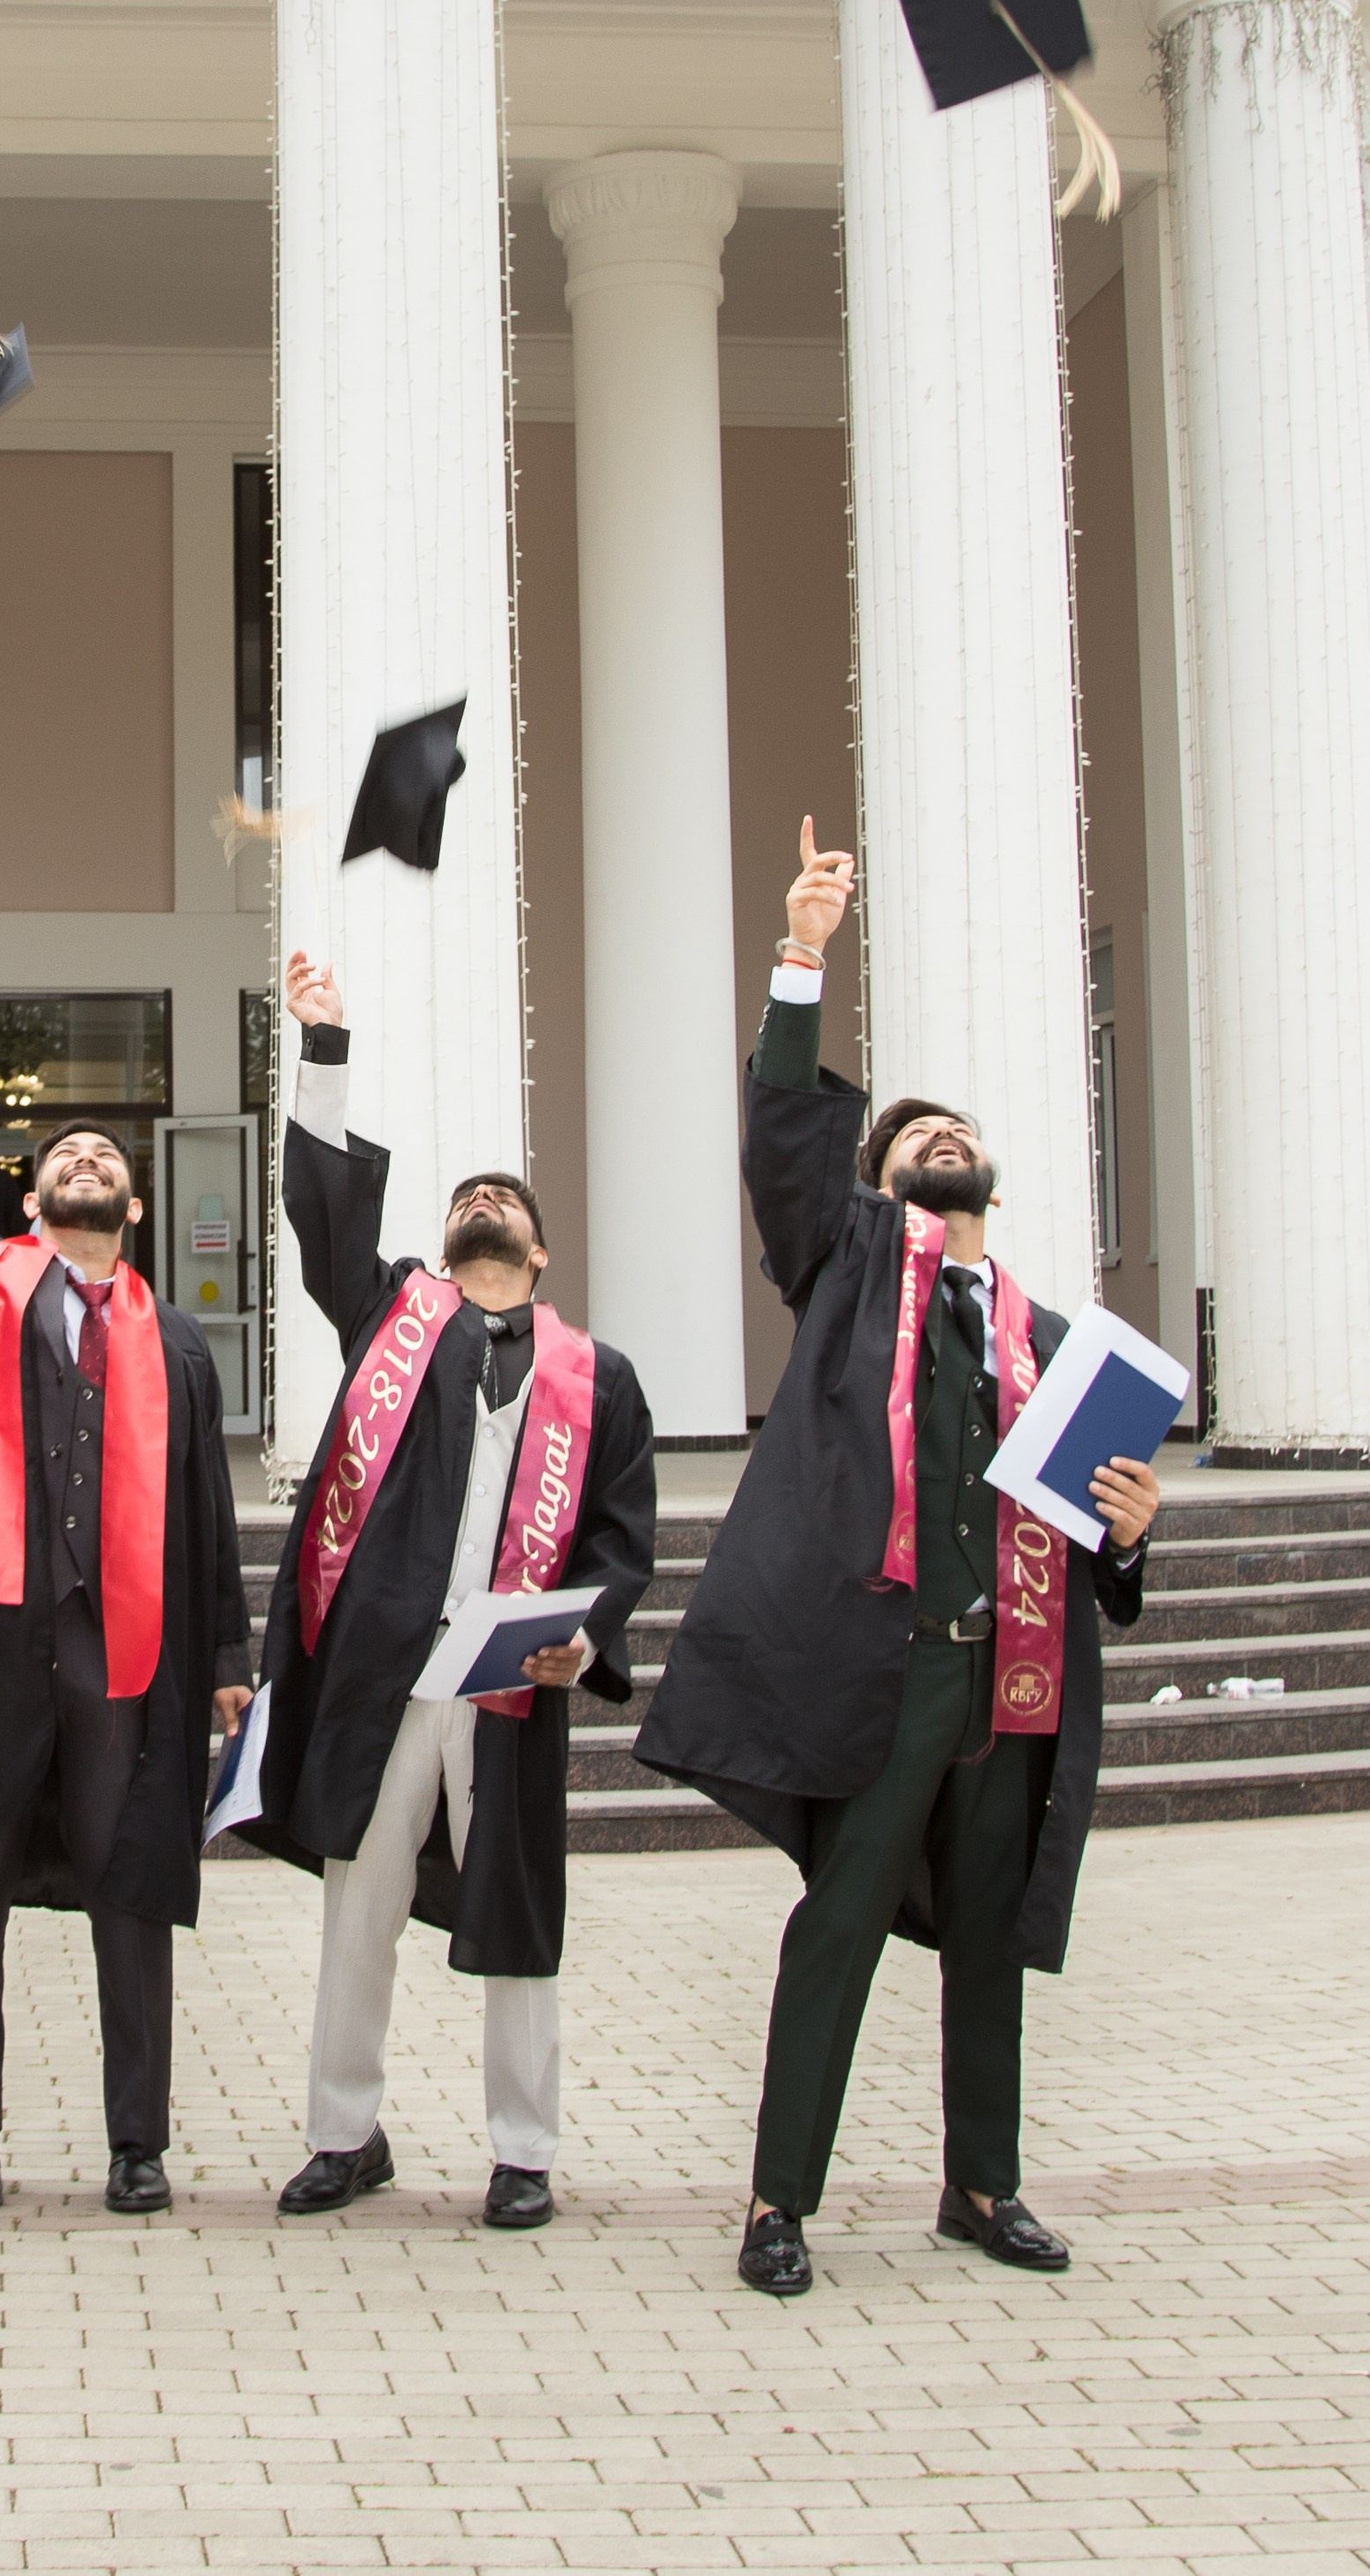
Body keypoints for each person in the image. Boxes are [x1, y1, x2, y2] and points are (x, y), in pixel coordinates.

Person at [639, 820, 1163, 2300]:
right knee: (842, 1922)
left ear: (992, 1173)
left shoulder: (1054, 1343)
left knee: (987, 1930)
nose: (935, 1139)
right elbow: (783, 1142)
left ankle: (981, 2182)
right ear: (872, 1183)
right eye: (907, 1139)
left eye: (952, 1133)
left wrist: (1131, 1536)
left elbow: (1093, 1535)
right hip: (887, 1671)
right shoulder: (852, 1265)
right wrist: (801, 955)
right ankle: (778, 2199)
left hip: (1015, 1679)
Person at [244, 952, 658, 2231]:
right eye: (467, 1196)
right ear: (442, 1244)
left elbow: (621, 1539)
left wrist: (584, 1637)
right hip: (385, 1667)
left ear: (540, 1250)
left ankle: (524, 2151)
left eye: (506, 1199)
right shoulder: (391, 1318)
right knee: (357, 1907)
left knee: (518, 1914)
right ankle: (342, 2135)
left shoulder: (601, 1378)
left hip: (509, 1678)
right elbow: (322, 1215)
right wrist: (324, 1048)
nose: (485, 1203)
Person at [0, 998, 250, 2217]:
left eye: (106, 1157)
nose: (85, 1161)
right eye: (66, 1154)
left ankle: (137, 2142)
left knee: (131, 1892)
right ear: (32, 1200)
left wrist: (227, 1653)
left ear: (135, 1207)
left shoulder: (177, 1343)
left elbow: (206, 1513)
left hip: (122, 1653)